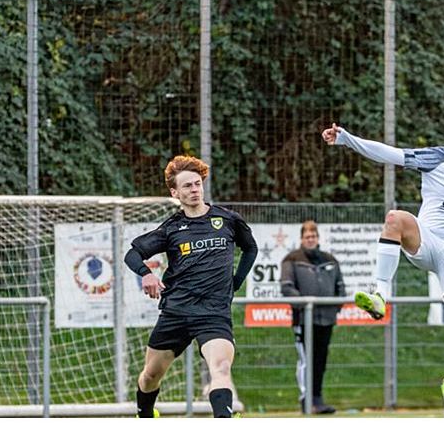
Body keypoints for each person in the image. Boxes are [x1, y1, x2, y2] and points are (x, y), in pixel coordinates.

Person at [322, 114, 444, 418]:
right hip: (428, 238)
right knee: (395, 219)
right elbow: (388, 154)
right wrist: (346, 139)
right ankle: (380, 295)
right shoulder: (437, 159)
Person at [124, 155, 258, 418]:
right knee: (151, 375)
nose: (194, 189)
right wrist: (146, 274)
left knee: (220, 368)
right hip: (177, 311)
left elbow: (250, 247)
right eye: (187, 186)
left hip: (213, 313)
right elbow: (132, 254)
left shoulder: (227, 219)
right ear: (175, 192)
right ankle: (144, 416)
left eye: (197, 184)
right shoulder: (172, 228)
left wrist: (236, 282)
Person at [280, 220, 346, 415]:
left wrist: (336, 306)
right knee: (306, 360)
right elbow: (287, 287)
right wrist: (305, 305)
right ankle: (306, 400)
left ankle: (317, 399)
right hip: (303, 320)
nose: (310, 239)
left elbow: (340, 287)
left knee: (320, 360)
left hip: (326, 319)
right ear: (301, 238)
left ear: (318, 238)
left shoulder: (330, 259)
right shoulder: (291, 259)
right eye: (307, 236)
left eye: (313, 236)